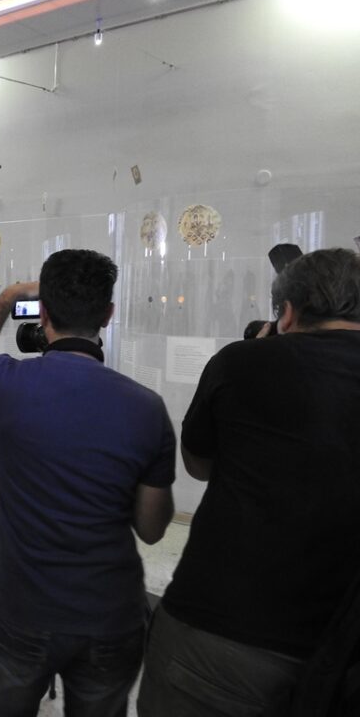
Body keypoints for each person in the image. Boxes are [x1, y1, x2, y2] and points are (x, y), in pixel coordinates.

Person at [138, 247, 360, 717]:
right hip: (340, 647)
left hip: (221, 634)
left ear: (287, 312)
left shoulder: (240, 362)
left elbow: (198, 464)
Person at [0, 249, 175, 716]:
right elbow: (152, 528)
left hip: (23, 604)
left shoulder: (5, 382)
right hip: (109, 610)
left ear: (43, 313)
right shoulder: (147, 406)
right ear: (108, 315)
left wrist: (8, 297)